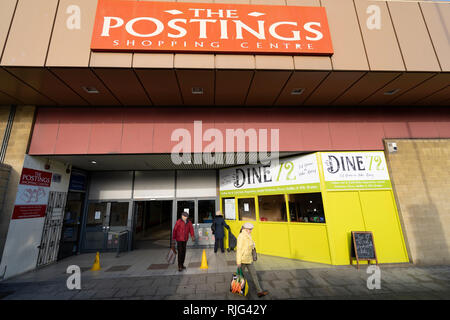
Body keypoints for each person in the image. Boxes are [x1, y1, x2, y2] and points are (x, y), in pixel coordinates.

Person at [236, 222, 269, 297]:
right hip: (243, 259)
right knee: (241, 276)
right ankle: (239, 289)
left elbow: (249, 245)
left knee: (254, 274)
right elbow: (239, 249)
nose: (251, 230)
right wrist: (238, 262)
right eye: (250, 229)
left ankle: (259, 291)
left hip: (249, 259)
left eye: (251, 229)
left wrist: (253, 245)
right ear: (245, 229)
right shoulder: (241, 236)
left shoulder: (248, 235)